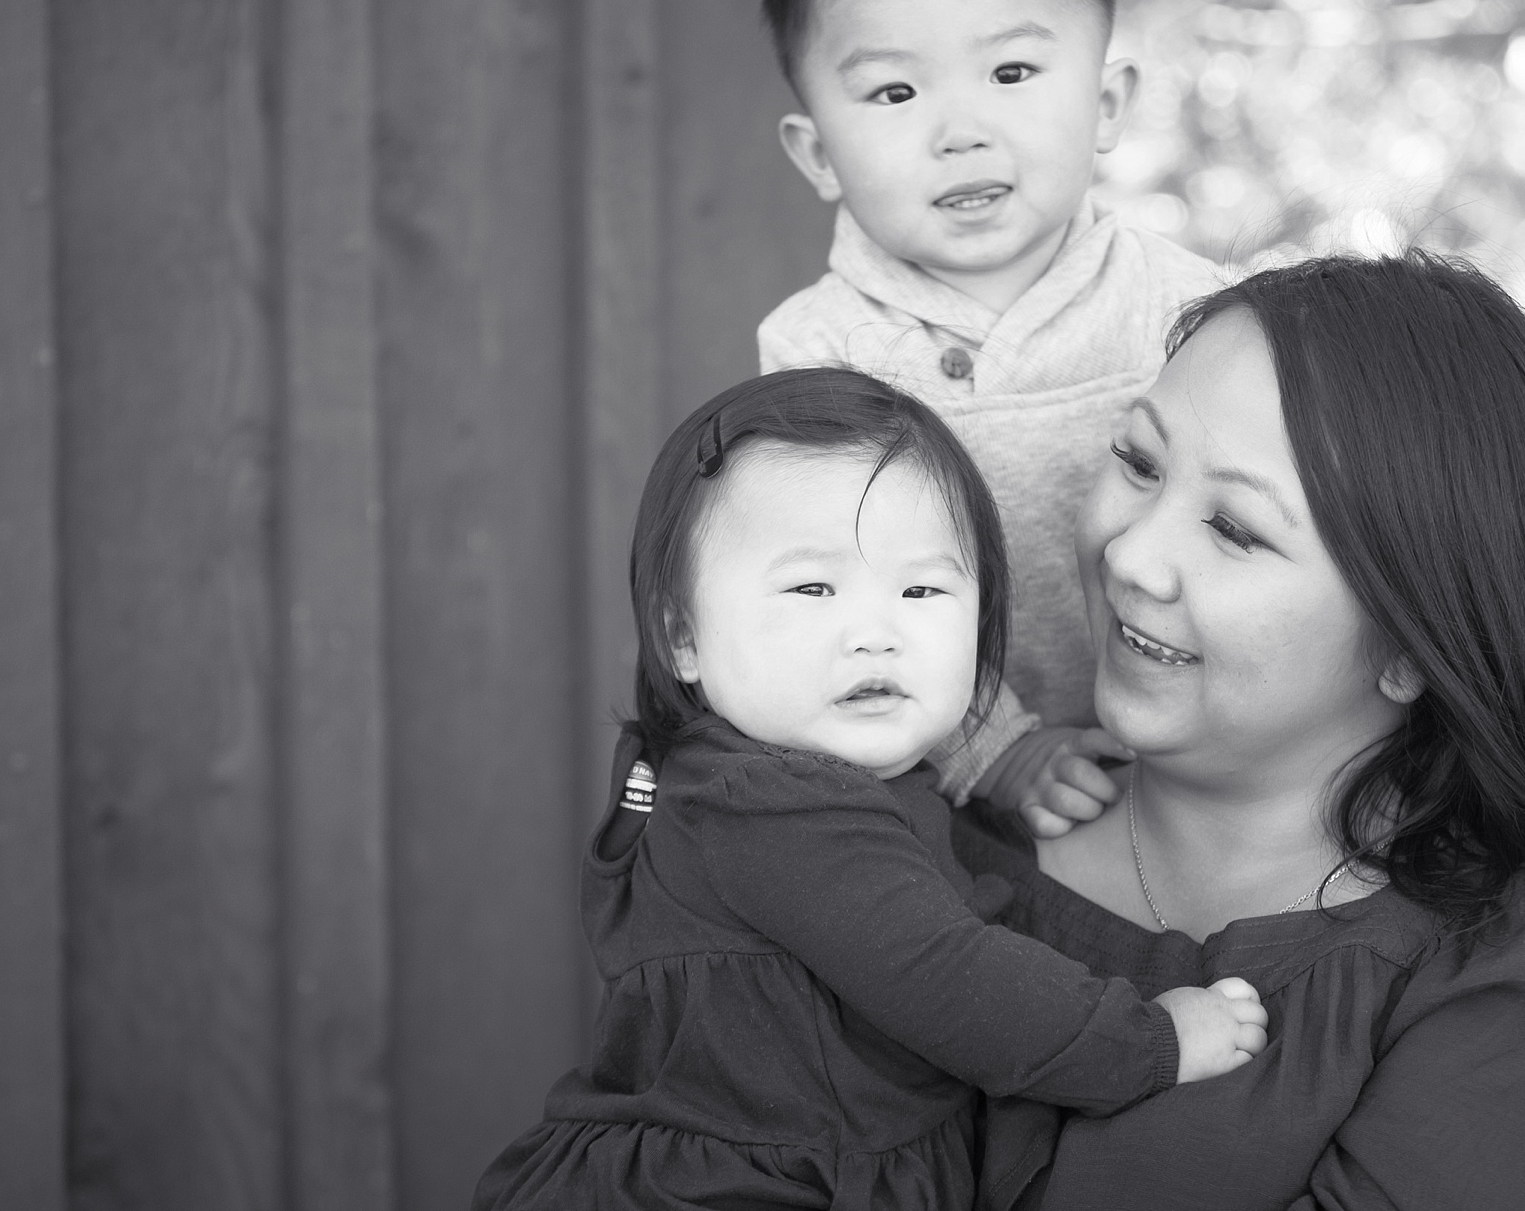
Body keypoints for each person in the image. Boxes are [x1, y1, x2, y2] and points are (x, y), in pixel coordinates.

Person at [954, 253, 1525, 1211]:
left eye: (1236, 529)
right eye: (1138, 462)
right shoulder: (908, 841)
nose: (1131, 555)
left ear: (1415, 644)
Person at [473, 367, 1268, 1211]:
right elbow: (958, 982)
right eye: (813, 587)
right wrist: (1154, 1041)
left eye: (922, 589)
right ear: (682, 637)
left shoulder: (807, 791)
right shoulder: (770, 804)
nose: (875, 634)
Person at [756, 0, 1223, 826]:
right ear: (815, 155)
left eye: (1010, 70)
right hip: (927, 778)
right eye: (894, 93)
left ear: (1103, 104)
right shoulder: (818, 355)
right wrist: (991, 748)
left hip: (1197, 755)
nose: (960, 130)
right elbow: (845, 600)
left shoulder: (1192, 316)